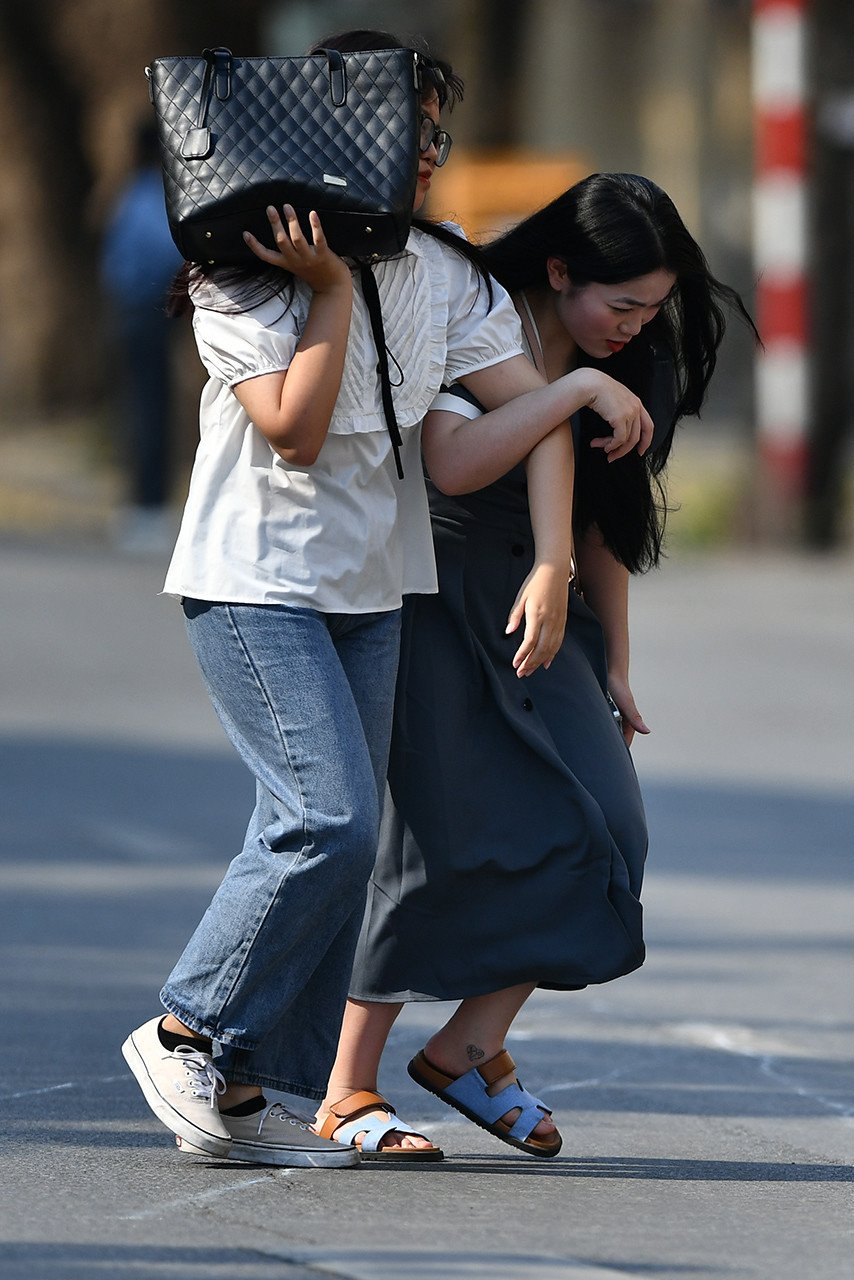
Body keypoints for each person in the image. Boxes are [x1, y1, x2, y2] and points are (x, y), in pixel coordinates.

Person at [119, 31, 649, 1169]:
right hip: (254, 582)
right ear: (326, 136)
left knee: (344, 844)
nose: (426, 160)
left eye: (431, 137)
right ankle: (186, 1026)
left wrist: (554, 549)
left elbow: (527, 417)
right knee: (329, 818)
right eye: (409, 136)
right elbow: (296, 433)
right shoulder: (241, 270)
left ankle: (250, 1073)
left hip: (371, 589)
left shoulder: (443, 270)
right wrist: (323, 289)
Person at [315, 173, 749, 1160]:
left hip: (551, 617)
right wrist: (572, 392)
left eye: (654, 307)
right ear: (560, 271)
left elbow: (607, 525)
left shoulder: (627, 369)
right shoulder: (476, 313)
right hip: (430, 599)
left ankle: (468, 1047)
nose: (638, 327)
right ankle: (348, 1085)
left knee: (607, 829)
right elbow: (455, 462)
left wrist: (620, 661)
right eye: (622, 303)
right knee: (425, 844)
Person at [100, 120, 183, 553]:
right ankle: (148, 505)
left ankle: (144, 504)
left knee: (141, 408)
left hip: (131, 313)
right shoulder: (158, 194)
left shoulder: (132, 193)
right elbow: (169, 253)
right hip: (148, 315)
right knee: (150, 409)